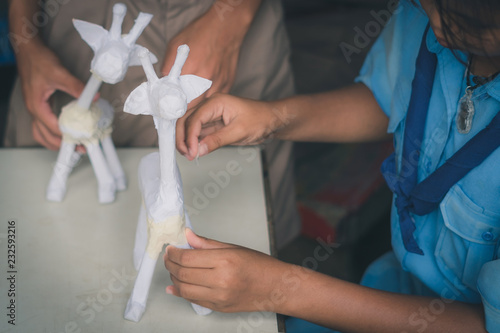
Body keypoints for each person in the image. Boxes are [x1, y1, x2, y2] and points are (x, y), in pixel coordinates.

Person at [164, 0, 500, 331]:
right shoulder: (426, 13)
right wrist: (273, 118)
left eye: (471, 24)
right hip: (390, 284)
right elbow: (390, 101)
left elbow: (483, 325)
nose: (436, 24)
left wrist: (281, 289)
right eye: (427, 4)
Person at [5, 0, 301, 248]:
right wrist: (25, 41)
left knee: (250, 226)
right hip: (83, 12)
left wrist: (233, 13)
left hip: (232, 18)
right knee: (42, 234)